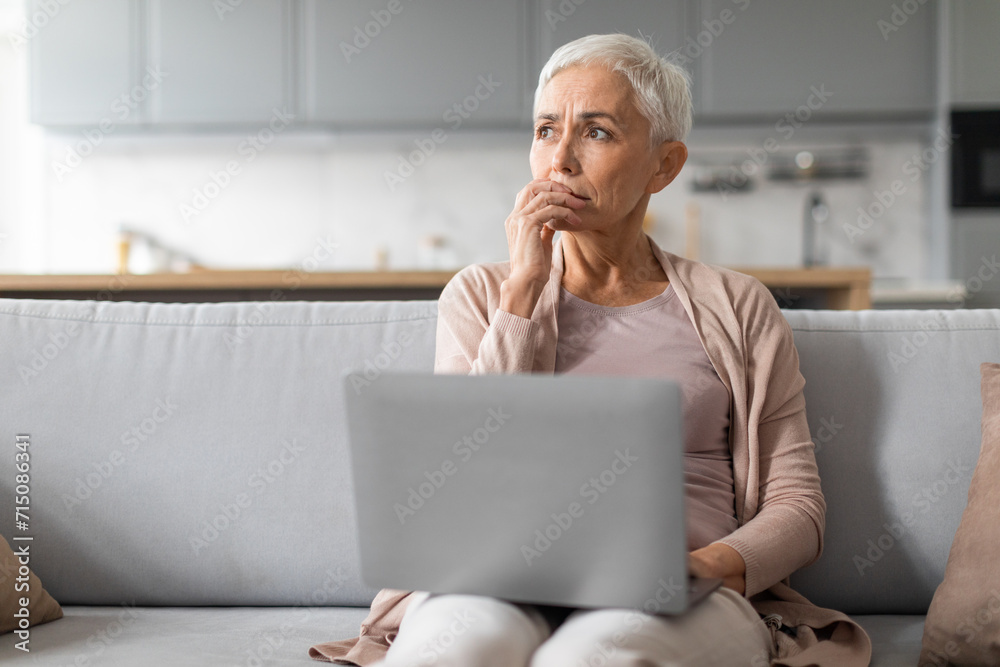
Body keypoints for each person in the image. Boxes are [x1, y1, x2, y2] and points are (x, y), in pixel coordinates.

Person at [311, 33, 872, 666]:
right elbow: (463, 480)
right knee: (454, 649)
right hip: (496, 584)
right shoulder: (480, 294)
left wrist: (705, 567)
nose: (561, 160)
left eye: (597, 132)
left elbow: (798, 506)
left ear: (664, 164)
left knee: (595, 657)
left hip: (679, 591)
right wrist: (522, 291)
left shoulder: (738, 306)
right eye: (546, 130)